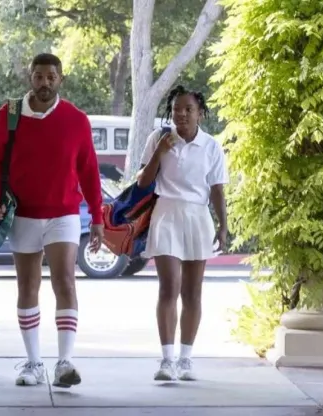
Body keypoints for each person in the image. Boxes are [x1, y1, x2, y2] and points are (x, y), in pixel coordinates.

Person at [0, 53, 104, 388]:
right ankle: (34, 363)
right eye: (39, 76)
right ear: (30, 77)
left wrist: (96, 215)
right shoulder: (10, 114)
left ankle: (65, 363)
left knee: (65, 282)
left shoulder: (76, 119)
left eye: (51, 76)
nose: (45, 83)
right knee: (28, 286)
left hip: (63, 213)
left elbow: (89, 170)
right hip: (22, 214)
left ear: (60, 79)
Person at [136, 85, 229, 382]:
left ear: (200, 113)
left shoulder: (211, 146)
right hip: (166, 214)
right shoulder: (158, 139)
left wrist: (224, 226)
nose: (181, 114)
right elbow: (142, 182)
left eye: (188, 109)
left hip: (197, 216)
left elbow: (217, 189)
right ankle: (167, 360)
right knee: (169, 287)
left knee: (192, 292)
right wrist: (161, 150)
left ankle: (186, 359)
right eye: (177, 109)